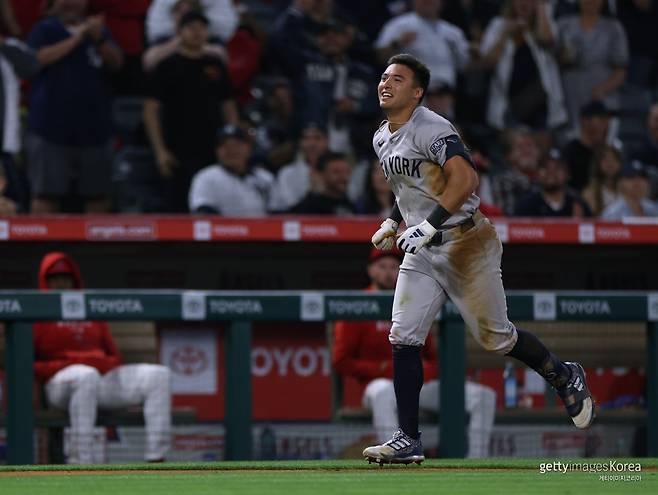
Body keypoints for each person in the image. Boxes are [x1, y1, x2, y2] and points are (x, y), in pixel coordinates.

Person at [363, 54, 594, 465]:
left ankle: (563, 373)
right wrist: (392, 220)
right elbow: (412, 189)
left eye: (397, 79)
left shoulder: (430, 126)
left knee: (496, 338)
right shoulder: (382, 136)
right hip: (423, 248)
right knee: (403, 336)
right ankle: (407, 439)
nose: (386, 83)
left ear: (417, 92)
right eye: (383, 77)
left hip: (465, 241)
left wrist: (429, 225)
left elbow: (467, 179)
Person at [332, 247, 496, 458]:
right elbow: (341, 360)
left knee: (483, 397)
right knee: (383, 392)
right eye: (382, 267)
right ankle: (395, 452)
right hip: (378, 385)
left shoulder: (413, 302)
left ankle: (477, 461)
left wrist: (427, 370)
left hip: (415, 384)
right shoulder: (358, 305)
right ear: (371, 271)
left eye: (394, 267)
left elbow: (432, 356)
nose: (388, 272)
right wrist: (380, 369)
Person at [33, 251, 172, 464]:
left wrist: (96, 364)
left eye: (65, 278)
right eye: (54, 279)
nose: (61, 283)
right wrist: (72, 364)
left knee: (159, 375)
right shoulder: (37, 311)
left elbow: (114, 357)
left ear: (74, 281)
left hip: (98, 380)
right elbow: (31, 365)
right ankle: (81, 461)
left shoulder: (89, 309)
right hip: (60, 387)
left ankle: (157, 458)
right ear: (46, 282)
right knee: (85, 375)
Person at [26, 0, 124, 214]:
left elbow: (117, 63)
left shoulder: (99, 31)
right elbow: (36, 60)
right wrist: (77, 37)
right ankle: (41, 247)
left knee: (98, 196)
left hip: (95, 129)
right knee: (46, 195)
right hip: (50, 128)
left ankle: (96, 248)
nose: (72, 3)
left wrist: (99, 39)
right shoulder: (45, 29)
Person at [143, 10, 238, 212]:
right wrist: (160, 151)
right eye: (191, 27)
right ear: (179, 31)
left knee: (211, 207)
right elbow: (150, 111)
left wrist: (234, 143)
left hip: (212, 148)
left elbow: (228, 106)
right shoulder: (166, 66)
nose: (197, 32)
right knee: (177, 208)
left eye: (202, 28)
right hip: (177, 149)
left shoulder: (216, 65)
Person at [479, 0, 567, 132]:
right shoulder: (498, 25)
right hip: (509, 105)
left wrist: (541, 9)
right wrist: (506, 33)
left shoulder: (545, 24)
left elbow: (547, 39)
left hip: (541, 104)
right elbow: (488, 62)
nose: (524, 3)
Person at [557, 0, 629, 129]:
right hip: (569, 96)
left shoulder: (613, 28)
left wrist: (602, 90)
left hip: (601, 96)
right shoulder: (563, 25)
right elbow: (549, 61)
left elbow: (621, 69)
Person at [375, 0, 470, 90]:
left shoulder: (452, 32)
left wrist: (474, 54)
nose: (428, 1)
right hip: (410, 95)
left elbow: (467, 66)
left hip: (444, 96)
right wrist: (397, 43)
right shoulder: (399, 25)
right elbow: (379, 57)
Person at [188, 125, 273, 215]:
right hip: (221, 228)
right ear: (217, 151)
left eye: (237, 145)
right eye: (225, 146)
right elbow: (203, 213)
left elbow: (278, 213)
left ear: (249, 148)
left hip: (261, 228)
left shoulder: (265, 177)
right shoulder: (205, 177)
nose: (231, 150)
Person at [268, 123, 329, 212]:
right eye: (306, 138)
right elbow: (285, 209)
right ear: (300, 143)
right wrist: (312, 193)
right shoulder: (287, 173)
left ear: (327, 142)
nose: (312, 144)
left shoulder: (337, 171)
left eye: (317, 138)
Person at [514, 148, 592, 217]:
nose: (551, 172)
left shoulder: (578, 204)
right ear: (537, 174)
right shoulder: (526, 205)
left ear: (567, 174)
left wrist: (578, 224)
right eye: (545, 167)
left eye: (557, 168)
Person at [562, 100, 615, 192]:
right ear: (585, 121)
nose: (607, 124)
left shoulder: (608, 151)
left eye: (606, 120)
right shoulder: (570, 152)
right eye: (602, 119)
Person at [490, 127, 541, 215]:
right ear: (509, 156)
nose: (527, 150)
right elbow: (509, 216)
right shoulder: (503, 181)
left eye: (530, 145)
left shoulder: (547, 179)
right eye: (520, 147)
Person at [288, 150, 355, 215]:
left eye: (346, 172)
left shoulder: (352, 206)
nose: (343, 177)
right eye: (336, 172)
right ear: (321, 175)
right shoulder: (309, 208)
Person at [582, 144, 622, 216]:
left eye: (614, 159)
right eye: (605, 159)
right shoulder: (590, 192)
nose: (610, 163)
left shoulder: (626, 190)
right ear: (598, 164)